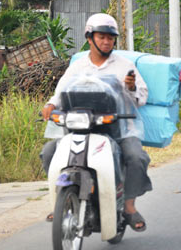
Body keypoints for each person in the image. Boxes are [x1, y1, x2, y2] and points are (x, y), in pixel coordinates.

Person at [40, 13, 152, 232]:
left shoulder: (124, 65)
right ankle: (62, 199)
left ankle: (129, 206)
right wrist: (50, 105)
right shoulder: (78, 66)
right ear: (89, 37)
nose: (107, 41)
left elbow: (142, 96)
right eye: (101, 37)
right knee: (49, 152)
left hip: (118, 129)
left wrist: (130, 87)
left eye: (111, 38)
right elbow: (60, 92)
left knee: (136, 157)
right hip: (81, 129)